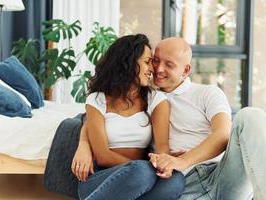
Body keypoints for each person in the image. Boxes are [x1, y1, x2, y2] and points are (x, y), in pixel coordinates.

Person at [148, 37, 266, 200]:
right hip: (182, 187)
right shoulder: (144, 99)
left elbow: (223, 134)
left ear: (185, 70)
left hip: (223, 176)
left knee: (252, 115)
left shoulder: (207, 93)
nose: (159, 69)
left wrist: (183, 161)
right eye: (155, 61)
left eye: (169, 65)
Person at [71, 34, 185, 200]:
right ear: (128, 63)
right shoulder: (97, 99)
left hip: (141, 178)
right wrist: (142, 167)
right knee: (141, 172)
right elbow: (102, 155)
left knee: (176, 181)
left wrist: (163, 164)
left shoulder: (156, 100)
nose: (152, 69)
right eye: (147, 62)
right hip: (101, 178)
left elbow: (162, 147)